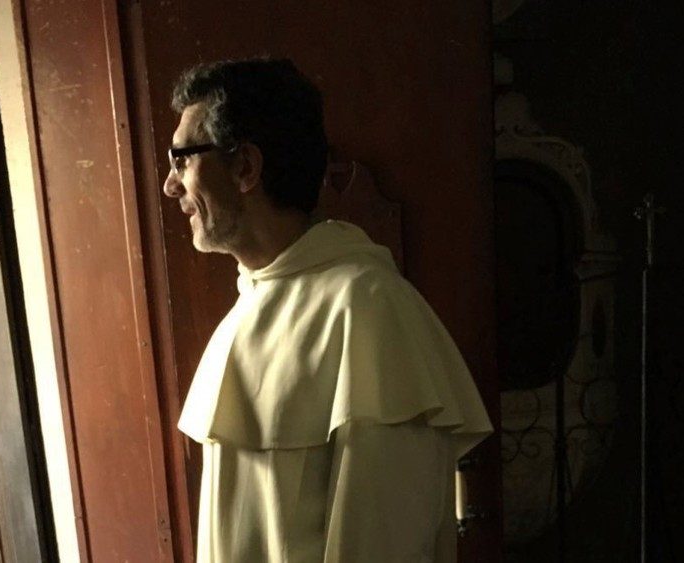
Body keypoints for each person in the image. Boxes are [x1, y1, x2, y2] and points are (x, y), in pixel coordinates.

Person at [163, 57, 492, 563]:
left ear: (246, 167)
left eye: (182, 159)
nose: (171, 185)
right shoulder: (251, 302)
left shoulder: (369, 309)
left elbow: (385, 548)